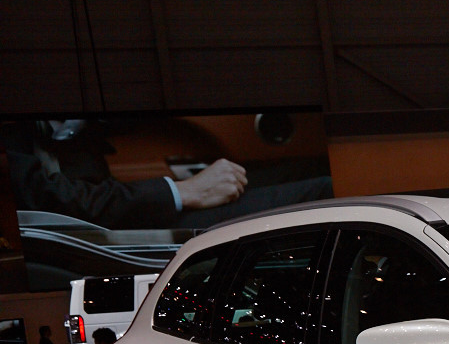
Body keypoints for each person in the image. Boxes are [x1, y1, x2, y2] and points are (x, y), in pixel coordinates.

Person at [3, 119, 332, 230]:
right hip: (120, 227)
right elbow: (51, 200)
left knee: (307, 170)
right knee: (322, 191)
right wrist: (183, 192)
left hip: (115, 202)